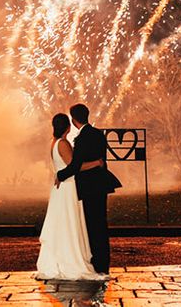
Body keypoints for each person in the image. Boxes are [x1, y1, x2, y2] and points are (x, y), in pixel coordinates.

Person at [36, 112, 108, 280]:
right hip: (67, 188)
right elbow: (75, 167)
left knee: (62, 224)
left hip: (61, 190)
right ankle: (70, 260)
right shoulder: (63, 144)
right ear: (67, 127)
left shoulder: (54, 142)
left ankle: (62, 258)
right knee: (69, 223)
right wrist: (96, 163)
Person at [56, 103, 121, 274]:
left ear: (73, 119)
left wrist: (60, 175)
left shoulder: (82, 138)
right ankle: (103, 259)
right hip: (101, 184)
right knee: (101, 222)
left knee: (93, 224)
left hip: (90, 186)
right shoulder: (98, 134)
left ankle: (98, 261)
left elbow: (76, 165)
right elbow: (101, 159)